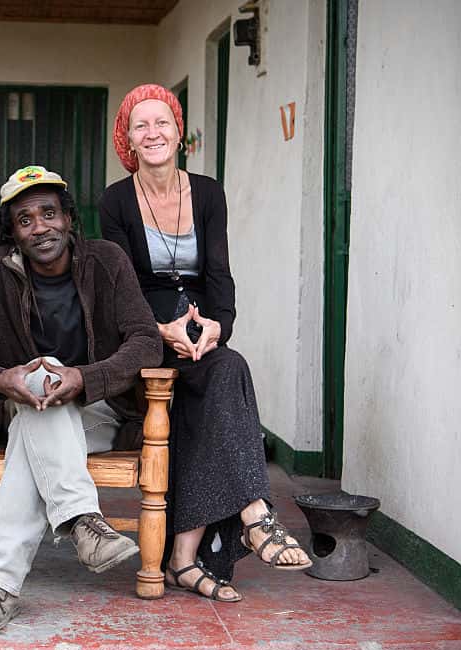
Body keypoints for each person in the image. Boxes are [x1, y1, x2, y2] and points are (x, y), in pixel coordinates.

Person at [99, 84, 311, 603]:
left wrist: (218, 327)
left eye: (162, 123)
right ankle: (252, 517)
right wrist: (159, 329)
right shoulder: (115, 200)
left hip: (199, 330)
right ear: (128, 140)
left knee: (224, 368)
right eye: (141, 126)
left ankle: (183, 558)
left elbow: (220, 275)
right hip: (143, 333)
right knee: (215, 385)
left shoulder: (209, 193)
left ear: (179, 133)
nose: (153, 133)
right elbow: (120, 287)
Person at [0, 165, 163, 636]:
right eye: (25, 220)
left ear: (68, 218)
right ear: (12, 232)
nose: (40, 227)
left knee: (41, 402)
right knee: (40, 379)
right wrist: (1, 379)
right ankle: (83, 521)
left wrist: (84, 377)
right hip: (27, 407)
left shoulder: (107, 261)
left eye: (48, 213)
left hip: (102, 413)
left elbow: (146, 341)